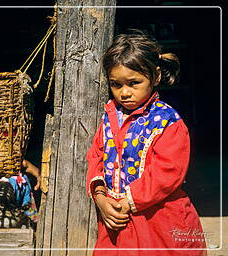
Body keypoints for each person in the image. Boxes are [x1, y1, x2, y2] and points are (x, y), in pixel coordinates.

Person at [86, 30, 207, 256]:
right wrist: (101, 197)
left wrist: (127, 201)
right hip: (116, 222)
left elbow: (168, 171)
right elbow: (96, 156)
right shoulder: (109, 117)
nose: (124, 93)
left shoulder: (167, 122)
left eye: (134, 83)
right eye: (116, 84)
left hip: (158, 220)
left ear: (156, 76)